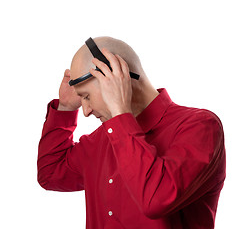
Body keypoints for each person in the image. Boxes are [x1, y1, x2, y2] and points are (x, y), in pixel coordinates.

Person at [37, 36, 226, 229]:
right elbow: (51, 173)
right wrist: (66, 108)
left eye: (86, 96)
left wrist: (120, 113)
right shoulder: (104, 137)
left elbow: (154, 200)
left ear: (115, 77)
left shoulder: (201, 127)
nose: (85, 111)